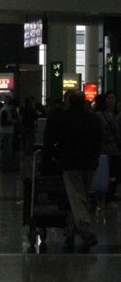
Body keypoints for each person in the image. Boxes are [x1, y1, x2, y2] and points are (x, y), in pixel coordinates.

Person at [44, 89, 102, 252]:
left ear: (68, 101)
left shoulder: (62, 118)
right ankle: (70, 229)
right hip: (89, 164)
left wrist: (51, 158)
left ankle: (86, 231)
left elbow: (51, 140)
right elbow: (99, 140)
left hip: (71, 164)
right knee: (80, 196)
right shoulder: (92, 118)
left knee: (77, 198)